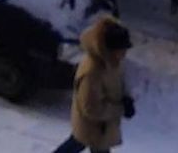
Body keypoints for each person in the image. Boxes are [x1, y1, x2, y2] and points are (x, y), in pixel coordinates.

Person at [53, 16, 135, 153]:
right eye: (122, 49)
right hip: (93, 126)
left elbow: (120, 82)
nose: (125, 53)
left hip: (101, 127)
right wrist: (120, 109)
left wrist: (127, 98)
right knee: (79, 142)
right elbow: (91, 109)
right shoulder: (92, 72)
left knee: (77, 143)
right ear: (111, 49)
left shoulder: (112, 62)